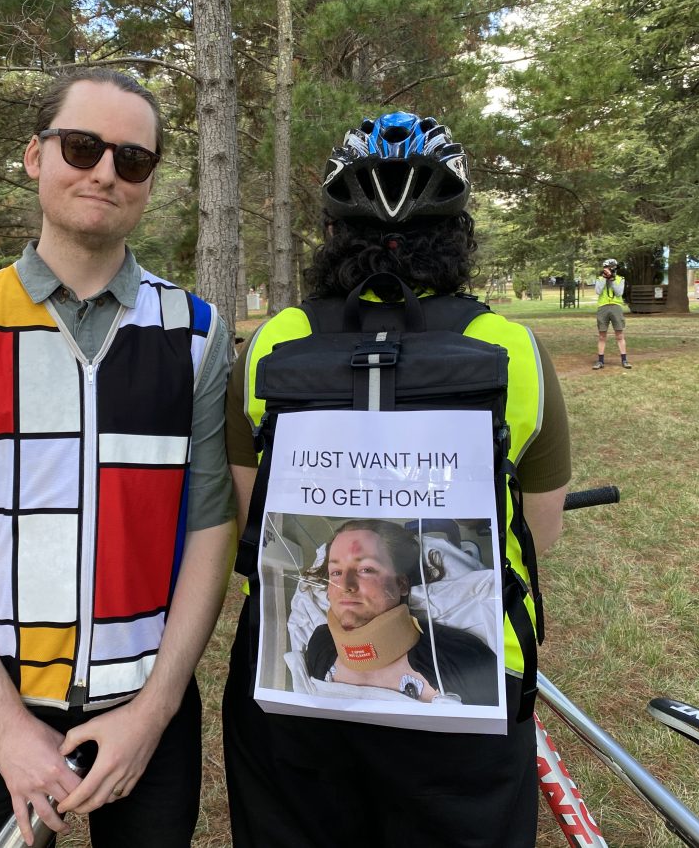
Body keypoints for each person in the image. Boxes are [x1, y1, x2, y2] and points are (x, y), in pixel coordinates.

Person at [0, 68, 235, 848]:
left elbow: (210, 532)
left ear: (149, 180)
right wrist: (4, 729)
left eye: (132, 159)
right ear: (35, 157)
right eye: (82, 147)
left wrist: (154, 712)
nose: (105, 171)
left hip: (146, 706)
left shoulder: (197, 335)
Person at [222, 111, 572, 848]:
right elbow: (536, 532)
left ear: (331, 232)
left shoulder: (272, 345)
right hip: (468, 700)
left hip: (288, 697)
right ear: (459, 233)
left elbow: (251, 529)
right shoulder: (511, 348)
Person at [303, 519, 498, 706]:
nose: (346, 586)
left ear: (402, 584)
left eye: (366, 569)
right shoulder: (320, 644)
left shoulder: (461, 657)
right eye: (336, 572)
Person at [593, 258, 631, 369]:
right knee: (602, 335)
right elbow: (598, 291)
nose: (608, 270)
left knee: (619, 334)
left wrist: (612, 279)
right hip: (602, 307)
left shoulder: (620, 279)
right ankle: (600, 361)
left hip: (616, 307)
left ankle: (624, 360)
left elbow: (619, 292)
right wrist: (605, 279)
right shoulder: (600, 279)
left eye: (610, 268)